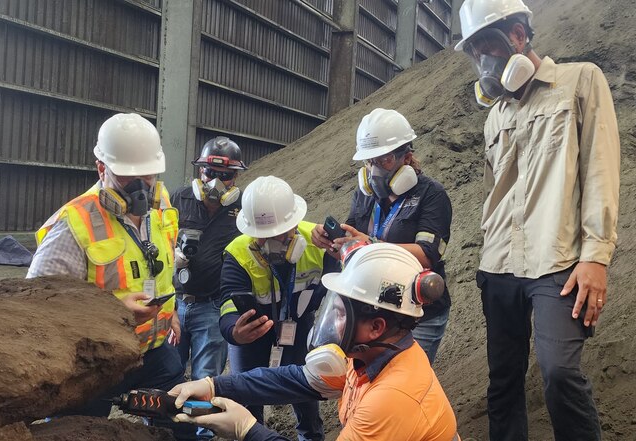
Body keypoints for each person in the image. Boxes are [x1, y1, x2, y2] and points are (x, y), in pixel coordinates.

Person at [456, 0, 621, 439]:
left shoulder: (580, 80)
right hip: (498, 266)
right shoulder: (495, 115)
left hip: (558, 261)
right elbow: (494, 190)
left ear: (517, 35)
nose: (481, 59)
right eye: (473, 51)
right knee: (503, 382)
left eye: (486, 44)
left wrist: (597, 257)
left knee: (560, 374)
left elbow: (600, 170)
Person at [169, 243, 459, 441]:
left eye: (341, 312)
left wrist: (248, 430)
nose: (332, 320)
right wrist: (214, 386)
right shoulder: (372, 355)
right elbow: (292, 380)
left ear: (376, 326)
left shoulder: (392, 398)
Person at [27, 113, 199, 440]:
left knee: (181, 426)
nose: (140, 185)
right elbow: (37, 308)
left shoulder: (161, 205)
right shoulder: (73, 224)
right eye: (127, 176)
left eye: (147, 174)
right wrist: (111, 311)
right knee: (78, 433)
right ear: (101, 168)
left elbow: (157, 266)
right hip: (95, 362)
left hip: (154, 350)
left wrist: (170, 310)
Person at [311, 108, 453, 364]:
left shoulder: (432, 195)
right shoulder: (364, 195)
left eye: (383, 159)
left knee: (405, 379)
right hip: (375, 311)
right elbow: (353, 239)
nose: (374, 170)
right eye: (369, 162)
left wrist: (372, 245)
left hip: (420, 313)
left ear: (406, 158)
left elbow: (428, 254)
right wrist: (334, 243)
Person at [216, 176, 334, 441]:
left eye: (280, 233)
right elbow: (226, 301)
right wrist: (234, 331)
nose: (272, 242)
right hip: (252, 334)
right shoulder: (237, 253)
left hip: (298, 325)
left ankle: (311, 437)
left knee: (305, 393)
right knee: (245, 396)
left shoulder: (319, 244)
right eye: (262, 236)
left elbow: (345, 282)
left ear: (294, 223)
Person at [171, 136, 247, 439]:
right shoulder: (177, 200)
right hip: (175, 305)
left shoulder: (242, 211)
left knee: (205, 382)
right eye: (209, 173)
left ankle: (202, 435)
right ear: (199, 172)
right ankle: (167, 431)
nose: (216, 181)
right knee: (169, 376)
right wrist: (170, 255)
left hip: (212, 307)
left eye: (225, 176)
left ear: (236, 178)